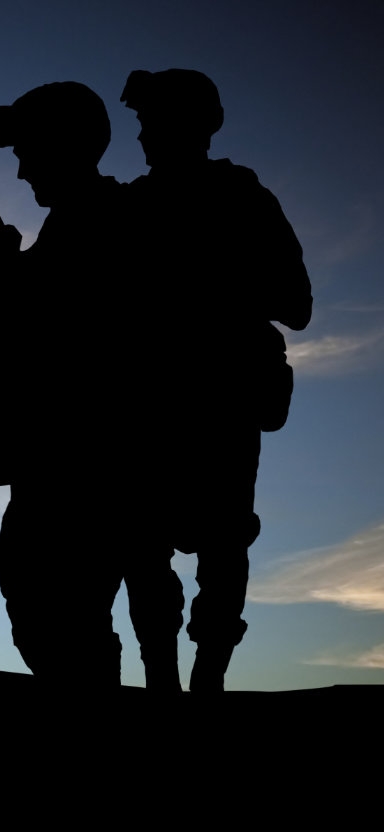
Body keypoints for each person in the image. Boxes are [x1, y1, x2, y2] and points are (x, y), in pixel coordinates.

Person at [0, 81, 169, 689]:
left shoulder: (107, 220)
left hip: (84, 458)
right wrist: (6, 258)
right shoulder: (79, 223)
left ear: (66, 147)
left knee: (53, 609)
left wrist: (4, 282)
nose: (22, 171)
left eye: (28, 153)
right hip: (66, 457)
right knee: (55, 611)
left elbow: (68, 321)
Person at [119, 69, 311, 692]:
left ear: (190, 126)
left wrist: (212, 286)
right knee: (143, 547)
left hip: (223, 403)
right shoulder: (132, 206)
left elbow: (297, 304)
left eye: (152, 122)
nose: (142, 136)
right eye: (142, 123)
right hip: (148, 406)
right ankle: (162, 680)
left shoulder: (242, 198)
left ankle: (207, 683)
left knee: (222, 546)